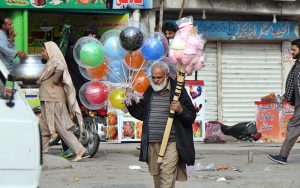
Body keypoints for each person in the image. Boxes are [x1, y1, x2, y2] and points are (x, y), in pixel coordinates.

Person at [125, 61, 196, 188]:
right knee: (157, 177)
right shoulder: (149, 90)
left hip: (173, 141)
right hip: (153, 142)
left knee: (167, 175)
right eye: (154, 77)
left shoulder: (177, 91)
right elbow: (141, 113)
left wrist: (181, 109)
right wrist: (131, 102)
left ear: (167, 75)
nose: (156, 80)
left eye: (159, 77)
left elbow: (191, 116)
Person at [37, 41, 89, 162]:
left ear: (50, 50)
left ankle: (80, 150)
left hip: (53, 100)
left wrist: (56, 80)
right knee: (43, 126)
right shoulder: (51, 62)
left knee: (62, 128)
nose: (42, 53)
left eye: (44, 50)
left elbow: (60, 68)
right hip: (48, 98)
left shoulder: (55, 60)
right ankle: (42, 151)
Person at [268, 39, 300, 165]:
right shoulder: (297, 64)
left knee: (292, 127)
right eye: (291, 49)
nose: (291, 52)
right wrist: (285, 97)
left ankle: (283, 156)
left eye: (294, 49)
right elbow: (293, 84)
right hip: (298, 103)